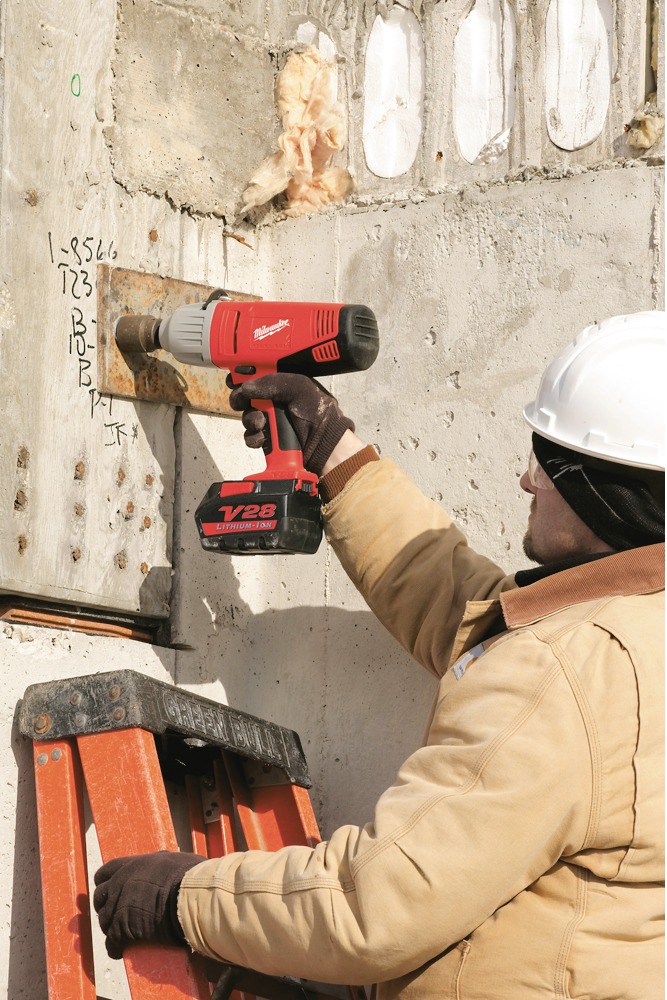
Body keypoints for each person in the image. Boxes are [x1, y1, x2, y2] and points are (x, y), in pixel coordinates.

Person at [94, 311, 665, 998]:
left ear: (600, 491)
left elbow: (375, 907)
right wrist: (333, 452)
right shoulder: (631, 630)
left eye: (546, 462)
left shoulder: (559, 670)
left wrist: (181, 896)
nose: (526, 480)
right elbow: (477, 618)